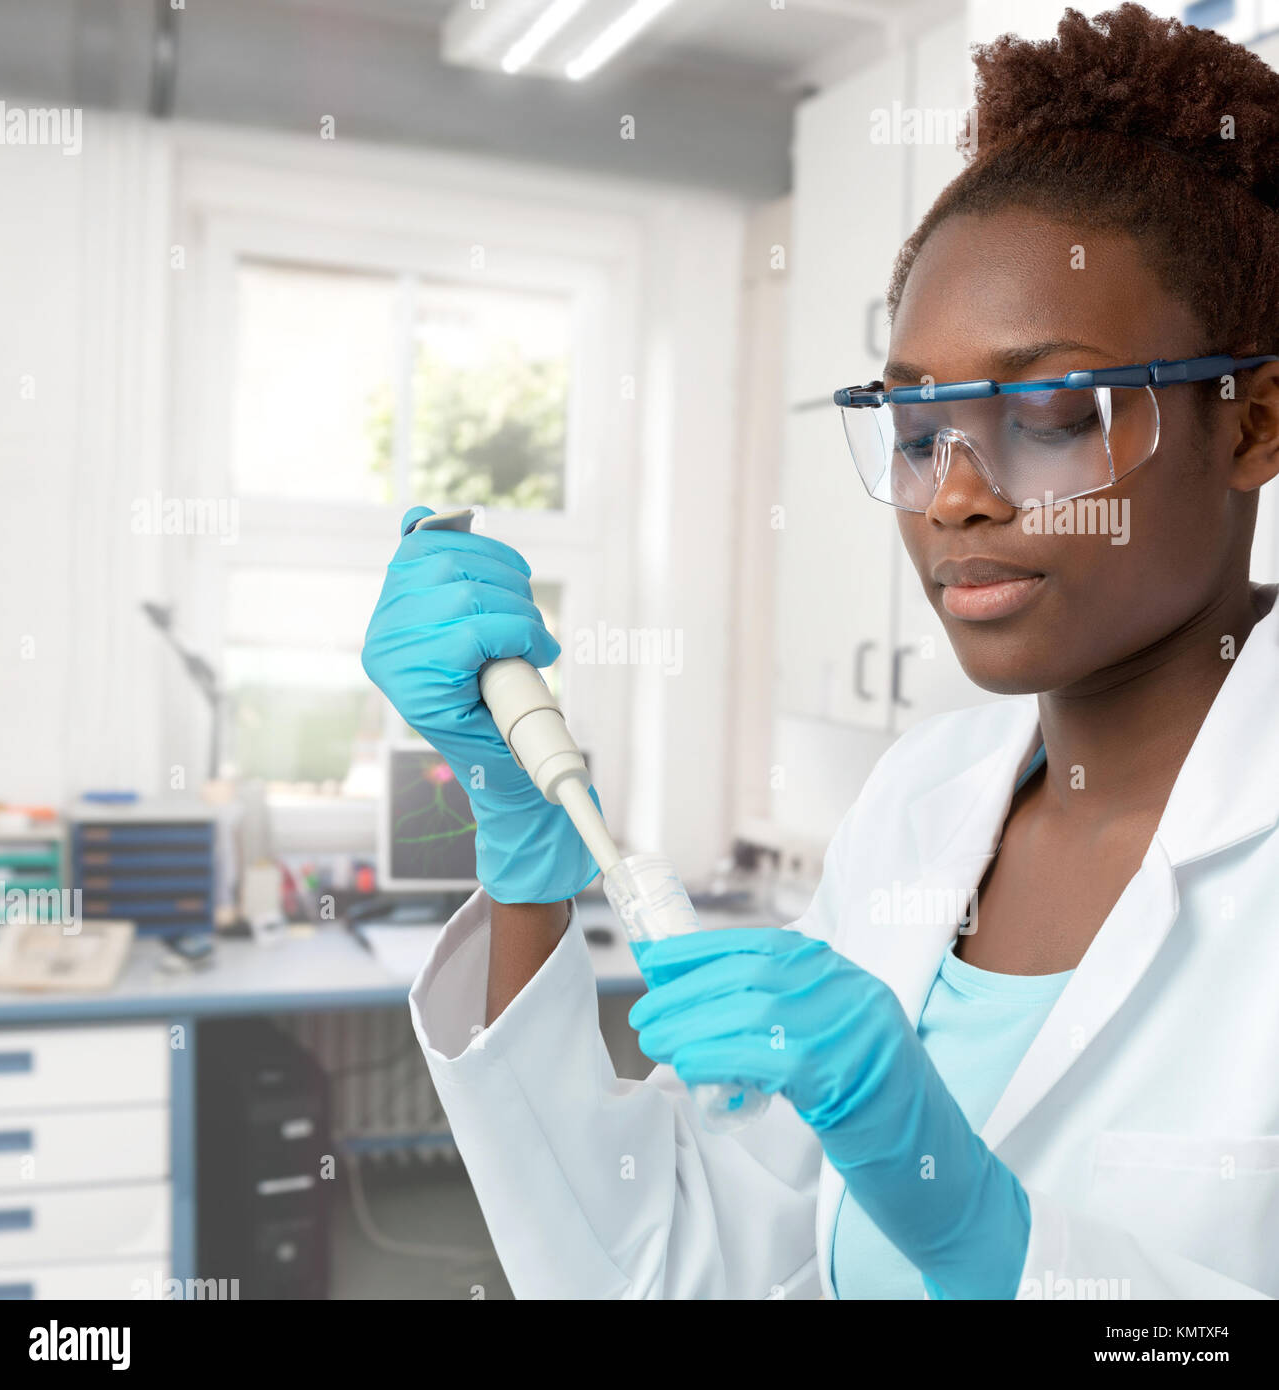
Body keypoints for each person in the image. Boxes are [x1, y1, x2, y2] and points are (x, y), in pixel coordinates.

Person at [360, 4, 1279, 1299]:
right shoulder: (922, 806)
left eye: (1055, 413)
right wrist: (523, 855)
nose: (953, 492)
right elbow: (669, 1266)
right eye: (914, 426)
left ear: (1254, 422)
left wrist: (986, 1237)